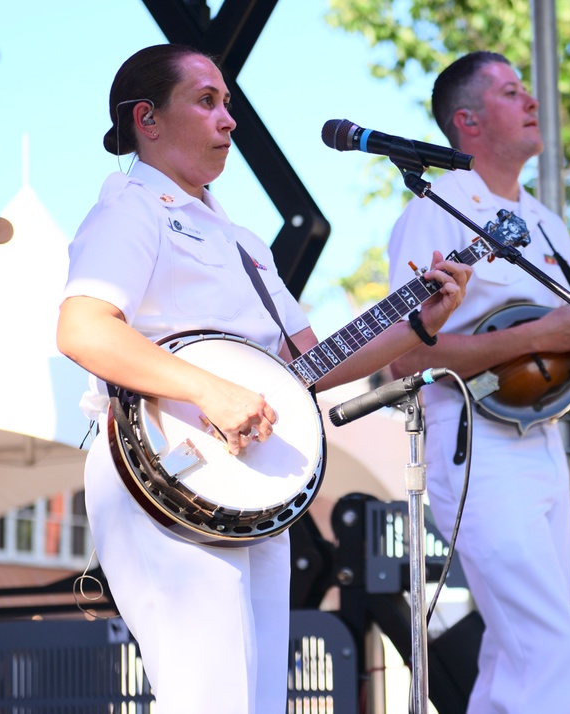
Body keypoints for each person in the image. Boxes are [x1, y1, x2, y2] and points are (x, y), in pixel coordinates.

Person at [56, 44, 471, 714]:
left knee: (256, 701)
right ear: (147, 120)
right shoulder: (131, 210)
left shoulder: (244, 242)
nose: (229, 120)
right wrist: (206, 389)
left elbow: (311, 362)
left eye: (228, 102)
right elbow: (83, 329)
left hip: (251, 488)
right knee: (207, 695)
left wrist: (419, 324)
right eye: (206, 100)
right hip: (165, 469)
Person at [387, 51, 570, 713]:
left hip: (544, 443)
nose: (533, 101)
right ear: (468, 121)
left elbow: (562, 353)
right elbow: (403, 357)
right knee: (550, 642)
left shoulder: (548, 223)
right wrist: (537, 337)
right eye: (513, 92)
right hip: (475, 446)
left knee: (514, 652)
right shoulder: (440, 206)